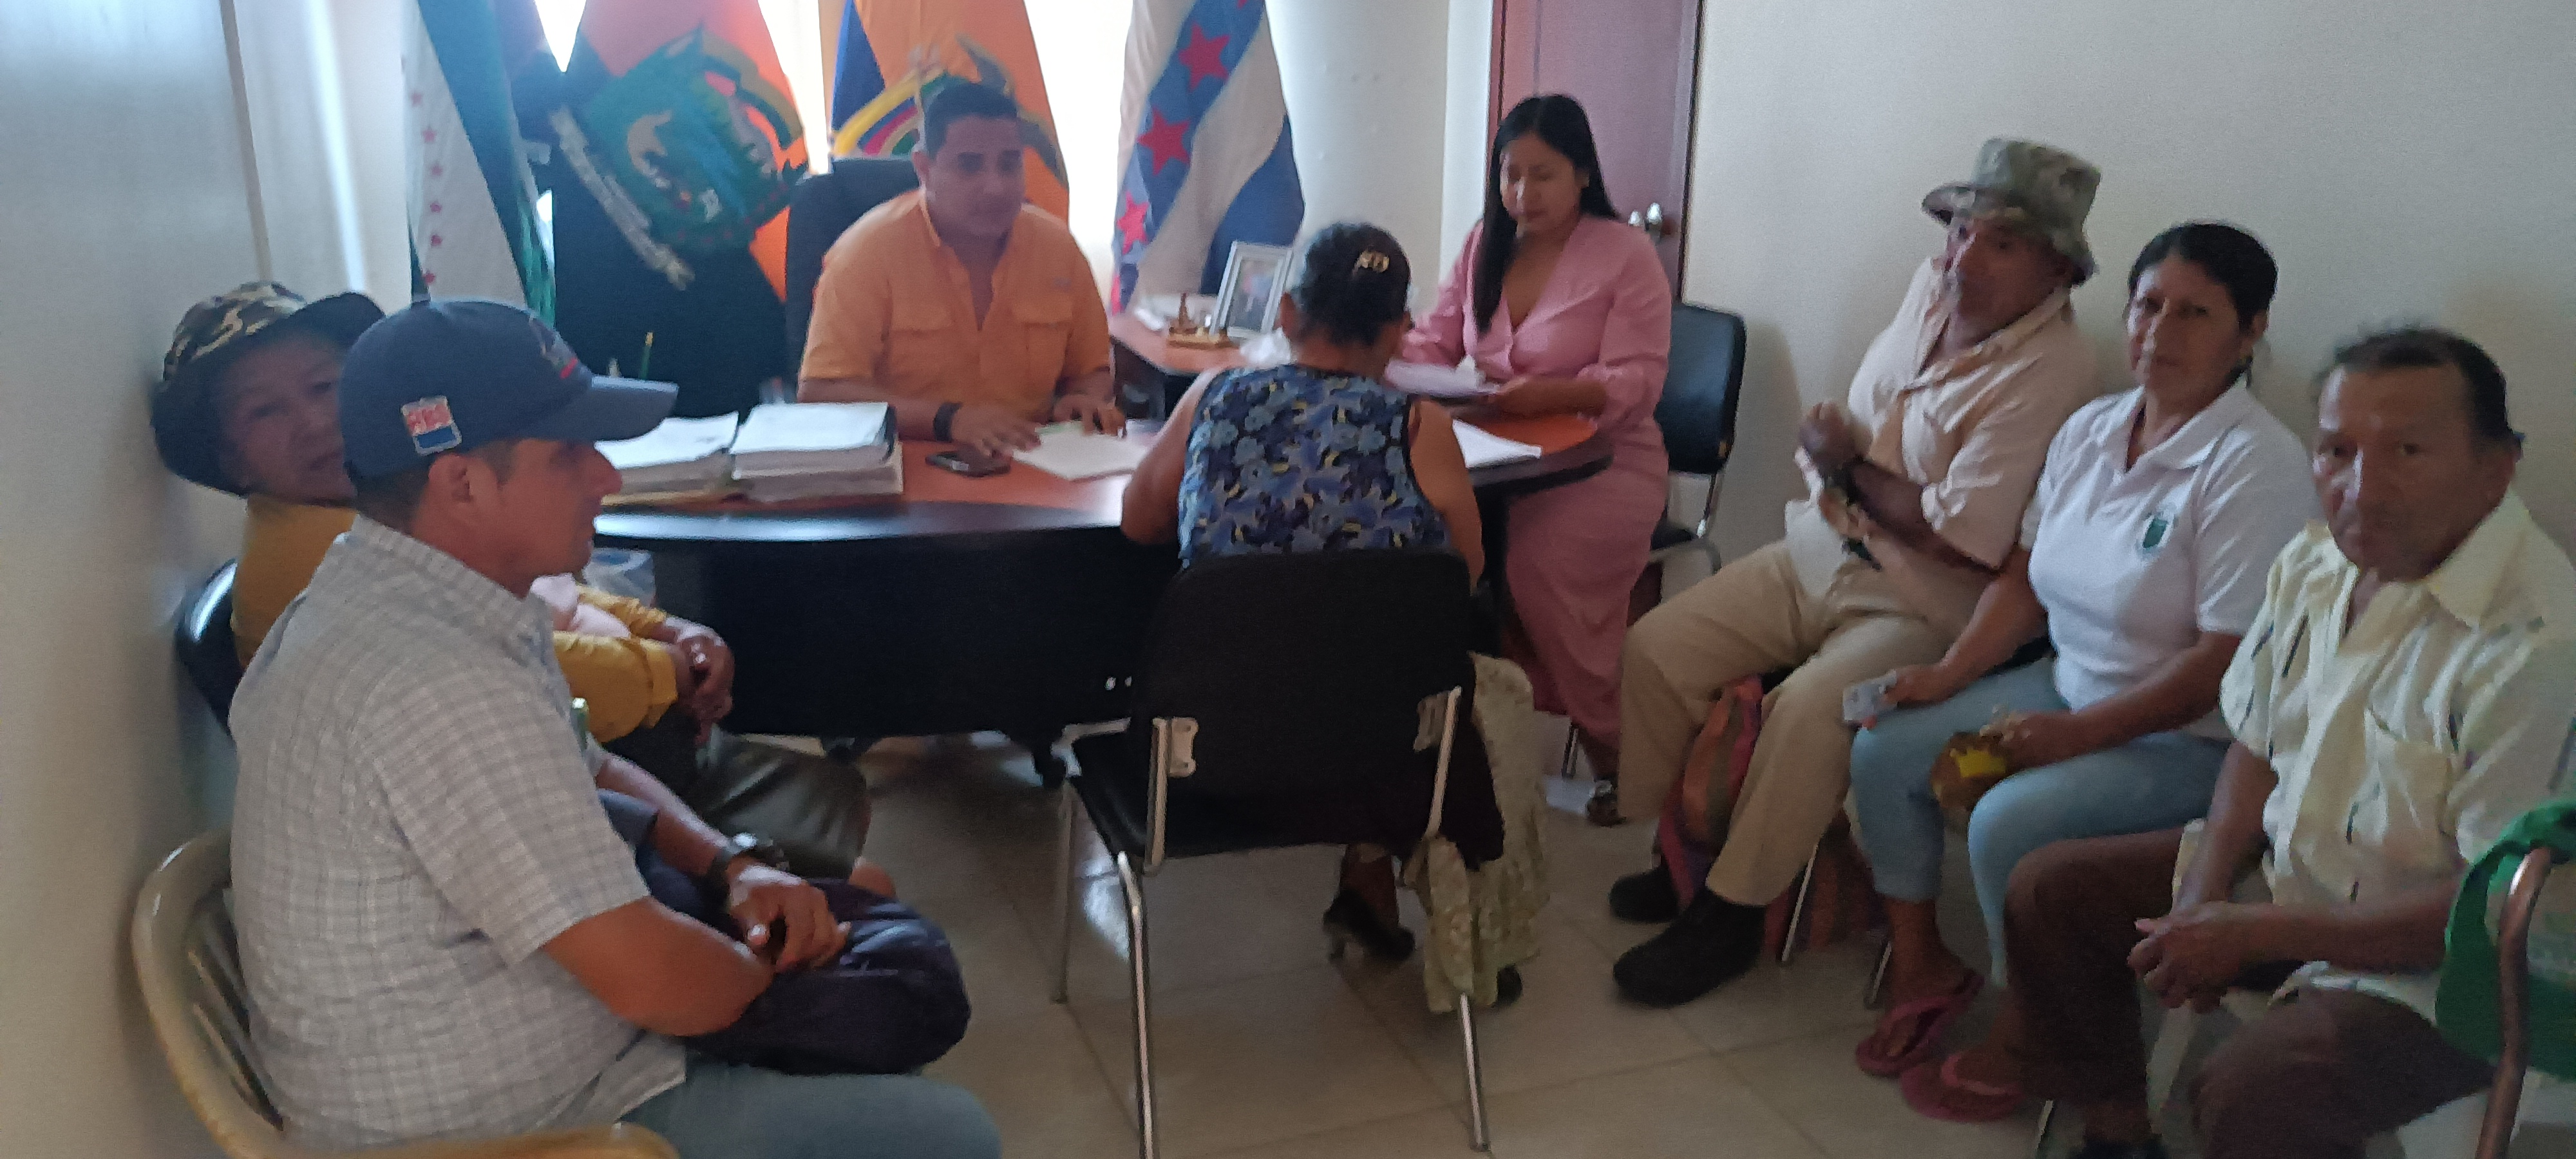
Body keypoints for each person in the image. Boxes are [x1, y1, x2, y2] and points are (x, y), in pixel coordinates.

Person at [230, 298, 999, 1156]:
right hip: (506, 1131)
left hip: (512, 1054)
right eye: (568, 453)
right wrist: (778, 983)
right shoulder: (438, 684)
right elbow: (653, 984)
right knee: (947, 1132)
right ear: (462, 484)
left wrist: (733, 866)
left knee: (868, 992)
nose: (605, 476)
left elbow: (587, 762)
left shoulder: (406, 594)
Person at [1940, 327, 2576, 1159]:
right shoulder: (2317, 564)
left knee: (2258, 1088)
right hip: (2300, 884)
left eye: (2408, 452)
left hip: (2462, 971)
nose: (2361, 488)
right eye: (2337, 451)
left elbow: (2483, 913)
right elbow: (2254, 744)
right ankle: (2119, 1134)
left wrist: (2258, 935)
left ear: (2497, 468)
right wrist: (2204, 894)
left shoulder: (2535, 648)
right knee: (2050, 893)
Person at [151, 282, 875, 882]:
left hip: (600, 761)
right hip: (551, 802)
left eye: (324, 386)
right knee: (865, 891)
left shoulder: (372, 514)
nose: (313, 422)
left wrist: (664, 627)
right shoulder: (329, 566)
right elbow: (528, 678)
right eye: (265, 411)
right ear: (228, 459)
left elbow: (530, 586)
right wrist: (665, 670)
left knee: (850, 870)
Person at [1608, 138, 2105, 1008]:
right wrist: (1842, 462)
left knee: (1810, 712)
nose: (1964, 258)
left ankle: (1733, 911)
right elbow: (1860, 427)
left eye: (2000, 244)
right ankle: (1684, 854)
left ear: (2057, 269)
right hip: (1822, 545)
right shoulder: (1929, 289)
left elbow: (1964, 538)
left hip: (1920, 605)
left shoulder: (2058, 367)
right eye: (1960, 232)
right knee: (1657, 650)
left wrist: (1844, 463)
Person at [1842, 224, 2316, 1088]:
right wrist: (1949, 676)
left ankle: (2034, 1029)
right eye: (2147, 306)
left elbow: (2224, 662)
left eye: (2195, 314)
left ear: (2250, 333)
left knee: (2008, 819)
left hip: (2192, 742)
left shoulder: (2256, 465)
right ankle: (1923, 966)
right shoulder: (2092, 429)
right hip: (2067, 686)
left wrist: (2076, 737)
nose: (2160, 333)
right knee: (1885, 745)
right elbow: (2025, 581)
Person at [1122, 223, 1546, 1008]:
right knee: (1472, 689)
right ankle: (1458, 929)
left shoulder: (1214, 398)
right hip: (1380, 755)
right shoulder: (1419, 429)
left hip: (1213, 758)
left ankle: (1369, 885)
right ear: (1398, 331)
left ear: (1286, 313)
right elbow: (1458, 579)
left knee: (1322, 662)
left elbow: (1138, 522)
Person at [1397, 94, 1672, 826]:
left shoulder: (1626, 253)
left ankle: (1619, 749)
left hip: (1606, 460)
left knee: (1536, 569)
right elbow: (1434, 342)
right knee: (1433, 553)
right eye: (1509, 174)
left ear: (1582, 172)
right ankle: (1463, 748)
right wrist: (1378, 353)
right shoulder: (1483, 244)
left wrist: (1558, 392)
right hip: (1499, 454)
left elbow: (1640, 382)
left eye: (1542, 175)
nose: (1522, 193)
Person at [799, 81, 1121, 458]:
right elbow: (822, 393)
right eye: (969, 165)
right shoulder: (867, 254)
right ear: (924, 168)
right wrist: (947, 420)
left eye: (1009, 164)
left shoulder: (1058, 249)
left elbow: (1092, 370)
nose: (995, 187)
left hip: (1037, 462)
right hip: (912, 467)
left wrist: (1083, 398)